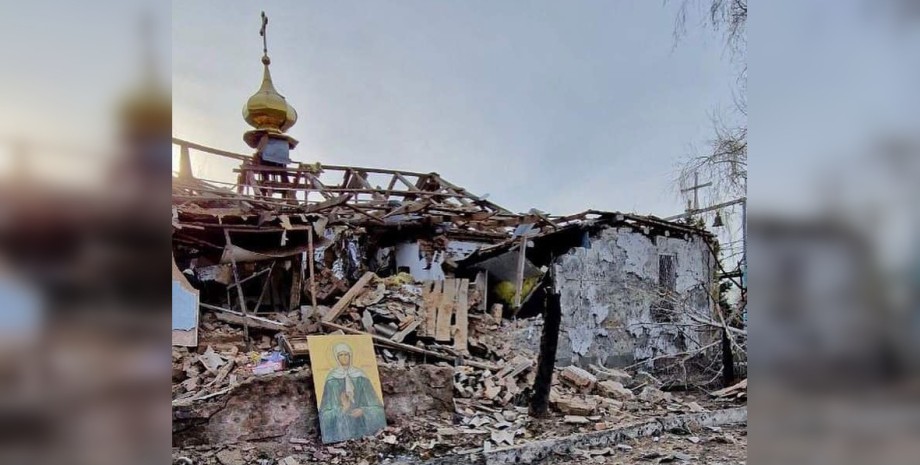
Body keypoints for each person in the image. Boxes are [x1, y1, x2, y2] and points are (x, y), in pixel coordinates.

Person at [317, 343, 387, 443]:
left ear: (351, 356)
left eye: (346, 354)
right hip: (342, 430)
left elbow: (377, 408)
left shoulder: (361, 377)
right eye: (341, 355)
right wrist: (343, 409)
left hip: (363, 428)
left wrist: (363, 411)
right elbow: (325, 414)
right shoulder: (331, 380)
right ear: (336, 358)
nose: (344, 357)